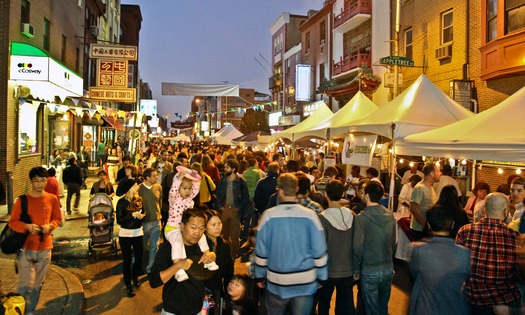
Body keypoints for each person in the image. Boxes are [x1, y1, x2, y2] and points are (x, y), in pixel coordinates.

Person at [255, 173, 328, 314]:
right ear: (296, 189)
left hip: (277, 281)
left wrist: (259, 274)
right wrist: (322, 275)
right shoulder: (310, 215)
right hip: (305, 281)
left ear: (280, 190)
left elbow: (261, 250)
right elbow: (319, 249)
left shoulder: (269, 216)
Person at [8, 167, 62, 315]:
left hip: (45, 248)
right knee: (26, 284)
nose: (40, 184)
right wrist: (27, 226)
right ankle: (20, 311)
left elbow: (57, 218)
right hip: (26, 248)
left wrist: (50, 226)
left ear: (47, 180)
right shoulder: (22, 200)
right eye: (36, 181)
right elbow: (12, 222)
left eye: (43, 180)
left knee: (38, 285)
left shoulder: (52, 199)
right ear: (31, 181)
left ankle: (30, 311)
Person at [456, 192, 521, 314]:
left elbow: (458, 267)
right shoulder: (514, 237)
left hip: (473, 299)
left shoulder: (465, 231)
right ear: (505, 211)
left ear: (484, 209)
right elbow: (519, 273)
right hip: (505, 301)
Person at [149, 209, 217, 315]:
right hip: (173, 311)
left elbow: (213, 278)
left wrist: (213, 256)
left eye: (201, 228)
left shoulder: (204, 246)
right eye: (193, 228)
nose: (197, 233)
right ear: (182, 226)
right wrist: (178, 265)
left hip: (198, 309)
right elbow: (154, 281)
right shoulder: (168, 248)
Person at [409, 205, 471, 315]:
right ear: (452, 224)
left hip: (426, 308)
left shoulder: (419, 249)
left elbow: (413, 273)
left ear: (428, 224)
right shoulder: (465, 252)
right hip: (456, 308)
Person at [165, 165, 217, 282]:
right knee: (178, 242)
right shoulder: (174, 199)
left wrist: (196, 177)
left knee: (201, 236)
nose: (188, 191)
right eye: (184, 188)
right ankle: (178, 269)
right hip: (172, 228)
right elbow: (173, 190)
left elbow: (195, 190)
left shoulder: (190, 200)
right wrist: (178, 179)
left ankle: (208, 258)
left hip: (186, 229)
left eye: (189, 188)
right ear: (178, 188)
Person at [352, 181, 396, 315]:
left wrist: (355, 269)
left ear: (366, 194)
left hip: (370, 269)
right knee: (383, 308)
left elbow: (357, 247)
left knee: (371, 310)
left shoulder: (362, 218)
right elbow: (393, 242)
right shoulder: (390, 215)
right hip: (388, 268)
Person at [317, 179, 356, 315]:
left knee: (323, 305)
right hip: (348, 269)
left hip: (327, 270)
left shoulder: (322, 218)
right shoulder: (351, 215)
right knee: (343, 307)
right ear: (343, 194)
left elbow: (319, 247)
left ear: (326, 194)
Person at [116, 179, 146, 297]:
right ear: (130, 188)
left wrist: (141, 217)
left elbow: (144, 214)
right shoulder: (121, 202)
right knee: (127, 260)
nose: (138, 187)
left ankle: (134, 275)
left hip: (138, 233)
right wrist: (131, 215)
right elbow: (119, 220)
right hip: (125, 235)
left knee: (139, 258)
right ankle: (128, 285)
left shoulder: (139, 200)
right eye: (135, 185)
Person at [216, 158, 250, 260]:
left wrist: (238, 208)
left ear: (233, 168)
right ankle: (225, 255)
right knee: (223, 234)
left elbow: (246, 197)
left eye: (227, 167)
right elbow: (218, 196)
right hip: (225, 210)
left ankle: (233, 256)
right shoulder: (222, 181)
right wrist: (221, 207)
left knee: (235, 236)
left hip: (235, 210)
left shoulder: (240, 181)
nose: (225, 169)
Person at [204, 210, 234, 314]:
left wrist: (228, 293)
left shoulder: (224, 244)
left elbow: (229, 271)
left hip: (217, 290)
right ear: (204, 226)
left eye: (219, 223)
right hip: (201, 292)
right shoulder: (199, 245)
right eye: (213, 224)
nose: (218, 227)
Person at [138, 168, 162, 274]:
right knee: (141, 246)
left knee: (154, 246)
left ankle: (151, 268)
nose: (157, 177)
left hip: (156, 221)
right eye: (154, 176)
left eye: (157, 175)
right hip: (144, 223)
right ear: (147, 178)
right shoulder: (139, 189)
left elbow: (160, 201)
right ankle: (138, 265)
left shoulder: (158, 187)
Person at [409, 163, 441, 240]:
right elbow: (413, 209)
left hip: (427, 229)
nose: (440, 173)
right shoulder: (420, 188)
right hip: (420, 230)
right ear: (432, 174)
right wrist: (425, 224)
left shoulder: (431, 188)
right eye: (438, 171)